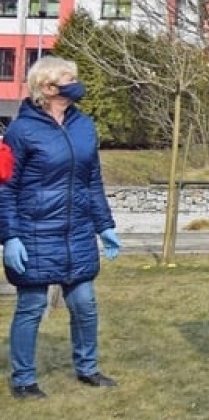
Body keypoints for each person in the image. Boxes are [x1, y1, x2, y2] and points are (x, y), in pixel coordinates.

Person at [0, 56, 121, 398]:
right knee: (32, 306)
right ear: (47, 87)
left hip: (77, 232)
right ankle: (23, 379)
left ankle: (88, 368)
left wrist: (104, 225)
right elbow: (4, 186)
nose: (76, 83)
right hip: (34, 233)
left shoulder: (84, 126)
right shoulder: (21, 131)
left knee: (84, 303)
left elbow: (92, 181)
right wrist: (9, 236)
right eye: (69, 78)